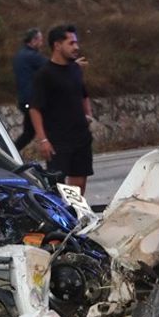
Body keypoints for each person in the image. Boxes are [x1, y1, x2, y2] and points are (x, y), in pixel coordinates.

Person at [30, 24, 94, 194]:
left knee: (79, 183)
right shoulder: (44, 74)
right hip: (58, 139)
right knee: (57, 186)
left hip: (80, 136)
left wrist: (88, 115)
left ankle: (77, 216)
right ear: (57, 45)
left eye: (76, 43)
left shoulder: (76, 69)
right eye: (71, 43)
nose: (76, 47)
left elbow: (83, 94)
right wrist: (43, 140)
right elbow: (35, 108)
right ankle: (61, 218)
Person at [12, 28, 48, 150]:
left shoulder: (19, 55)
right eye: (40, 40)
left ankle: (10, 153)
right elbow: (52, 67)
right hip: (33, 101)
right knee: (48, 128)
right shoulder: (32, 56)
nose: (42, 44)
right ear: (33, 40)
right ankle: (9, 153)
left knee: (29, 132)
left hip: (24, 99)